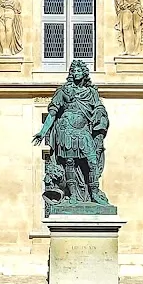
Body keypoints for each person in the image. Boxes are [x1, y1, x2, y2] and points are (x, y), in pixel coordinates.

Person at [32, 59, 110, 210]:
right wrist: (43, 131)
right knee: (70, 163)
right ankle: (73, 195)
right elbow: (52, 113)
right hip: (66, 130)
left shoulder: (91, 92)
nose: (76, 73)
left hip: (83, 131)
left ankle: (94, 192)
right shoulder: (64, 91)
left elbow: (100, 109)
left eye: (79, 71)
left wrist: (100, 123)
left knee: (92, 161)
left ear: (84, 73)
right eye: (73, 71)